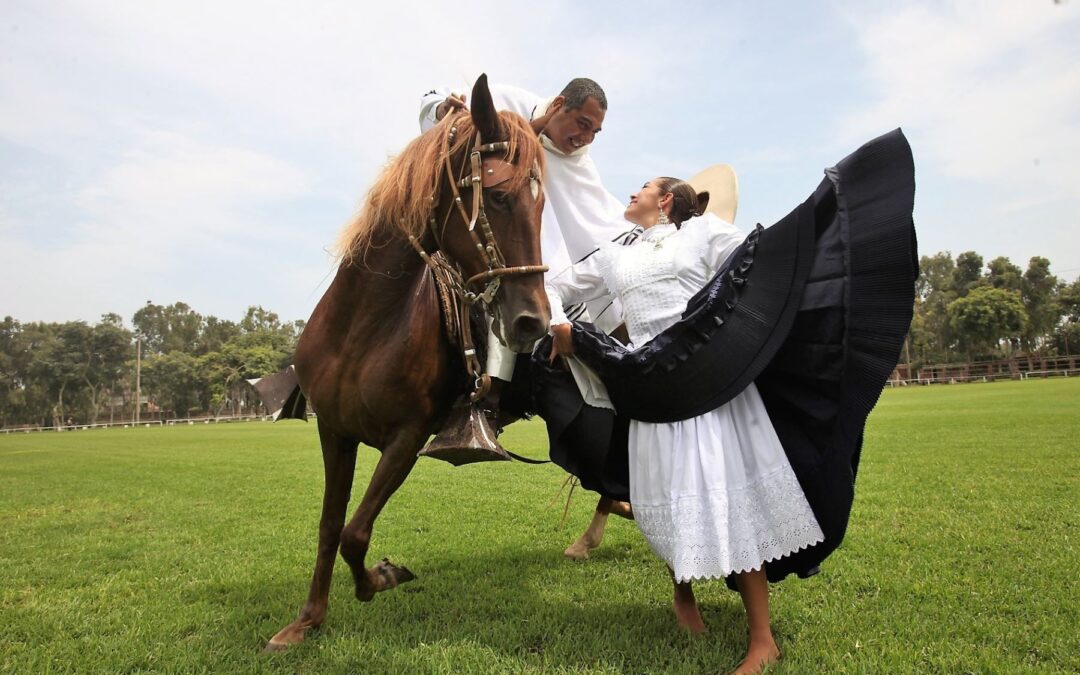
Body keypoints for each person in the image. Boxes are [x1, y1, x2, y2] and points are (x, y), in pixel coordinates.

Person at [546, 177, 826, 673]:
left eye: (642, 188)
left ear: (667, 200)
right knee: (671, 498)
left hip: (709, 386)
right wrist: (557, 326)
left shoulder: (703, 234)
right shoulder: (614, 254)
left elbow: (759, 261)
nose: (630, 194)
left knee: (730, 495)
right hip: (652, 392)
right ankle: (683, 596)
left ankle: (763, 638)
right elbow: (556, 284)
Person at [421, 78, 636, 535]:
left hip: (544, 259)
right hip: (493, 233)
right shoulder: (508, 102)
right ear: (558, 103)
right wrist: (443, 112)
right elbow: (435, 97)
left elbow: (595, 216)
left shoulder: (580, 164)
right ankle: (478, 401)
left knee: (528, 286)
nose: (585, 138)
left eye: (595, 132)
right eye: (581, 124)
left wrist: (645, 239)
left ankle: (497, 402)